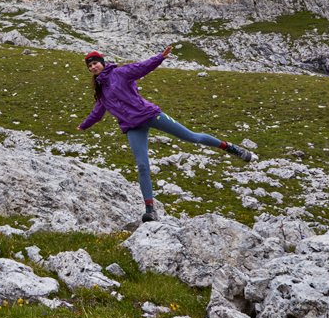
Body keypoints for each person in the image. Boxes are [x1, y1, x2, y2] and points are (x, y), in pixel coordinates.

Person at [76, 47, 257, 222]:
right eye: (90, 66)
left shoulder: (120, 73)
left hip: (149, 115)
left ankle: (230, 147)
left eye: (95, 64)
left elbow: (142, 67)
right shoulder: (102, 91)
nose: (93, 67)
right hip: (132, 127)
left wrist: (159, 58)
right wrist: (84, 126)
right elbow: (97, 112)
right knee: (143, 166)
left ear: (102, 62)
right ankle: (150, 209)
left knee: (191, 137)